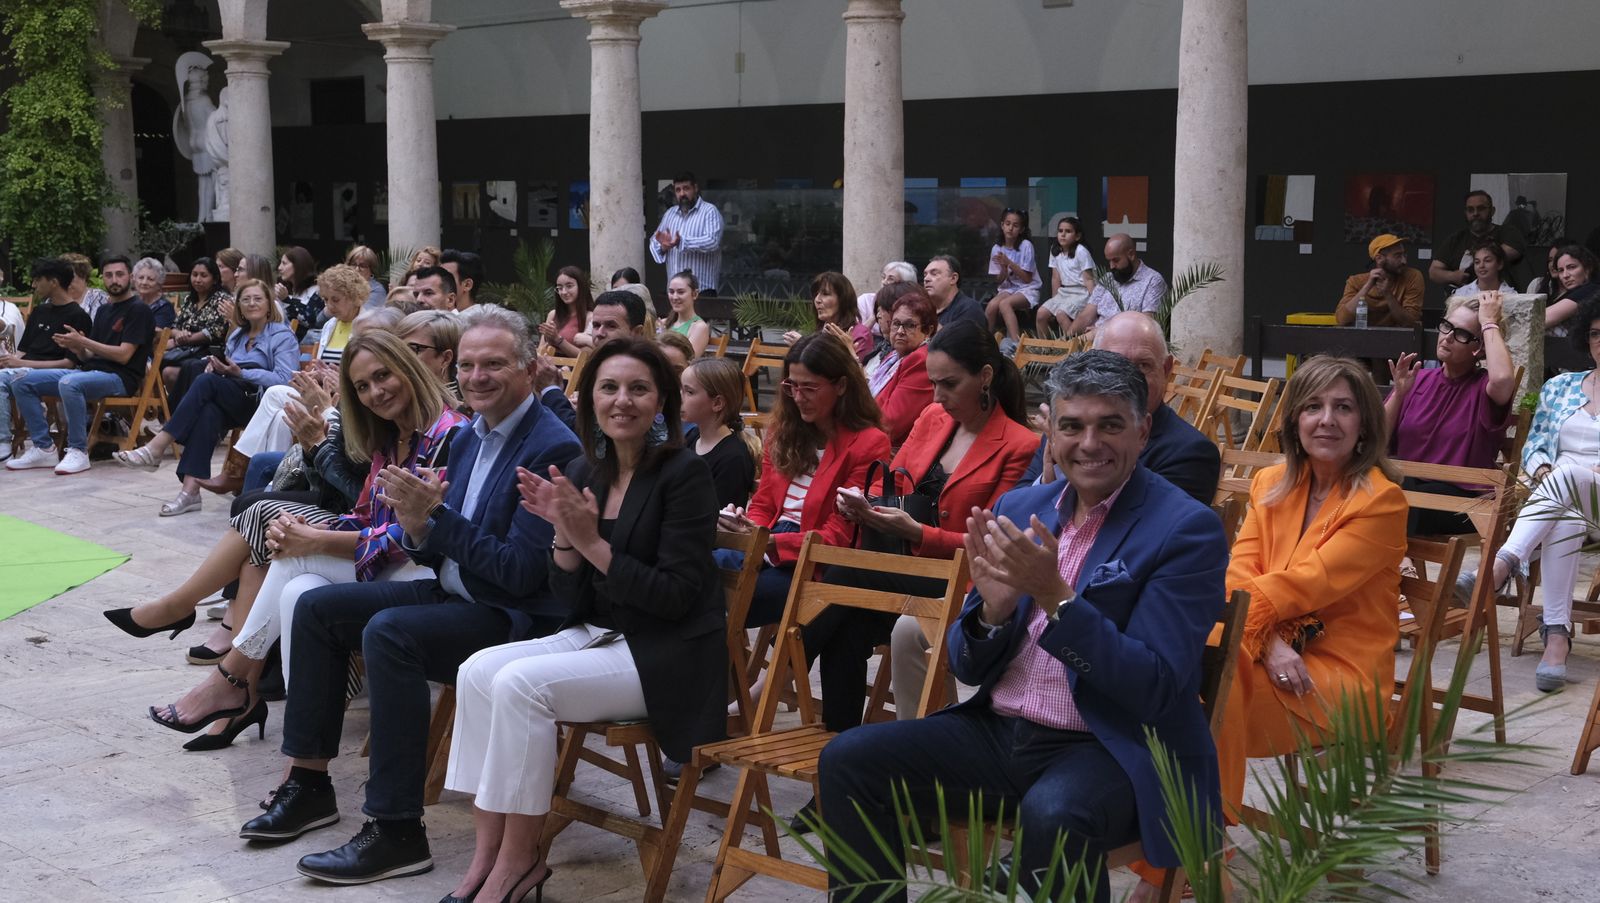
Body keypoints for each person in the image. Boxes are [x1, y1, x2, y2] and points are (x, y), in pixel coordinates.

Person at [819, 350, 1229, 903]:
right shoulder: (1021, 507)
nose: (1089, 443)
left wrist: (1056, 599)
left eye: (1110, 425)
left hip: (1113, 747)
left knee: (1055, 813)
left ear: (1143, 430)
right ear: (1050, 435)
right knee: (849, 760)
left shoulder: (1185, 529)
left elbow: (1153, 686)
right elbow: (966, 664)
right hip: (1002, 732)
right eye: (1072, 426)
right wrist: (992, 614)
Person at [236, 306, 582, 886]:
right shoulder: (471, 437)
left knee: (391, 634)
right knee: (317, 609)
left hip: (514, 616)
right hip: (458, 593)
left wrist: (434, 520)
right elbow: (435, 545)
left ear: (529, 368)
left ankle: (396, 829)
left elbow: (523, 574)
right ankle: (309, 783)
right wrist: (420, 527)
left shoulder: (552, 447)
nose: (476, 377)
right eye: (468, 366)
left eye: (493, 364)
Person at [439, 337, 726, 903]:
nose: (623, 400)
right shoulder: (586, 471)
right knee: (476, 671)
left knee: (520, 686)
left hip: (666, 653)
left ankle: (520, 861)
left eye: (639, 389)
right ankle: (485, 857)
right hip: (599, 634)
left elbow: (673, 598)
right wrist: (564, 538)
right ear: (590, 398)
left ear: (661, 401)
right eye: (609, 387)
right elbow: (570, 595)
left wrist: (591, 540)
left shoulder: (684, 474)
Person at [134, 330, 467, 744]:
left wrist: (316, 539)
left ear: (409, 368)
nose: (375, 392)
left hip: (429, 571)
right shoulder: (389, 435)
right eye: (363, 386)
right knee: (296, 586)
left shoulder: (449, 433)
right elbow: (365, 513)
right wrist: (317, 529)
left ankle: (231, 680)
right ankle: (302, 748)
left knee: (289, 550)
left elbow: (417, 533)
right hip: (388, 560)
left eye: (383, 376)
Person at [1212, 355, 1405, 861]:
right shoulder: (1270, 485)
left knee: (1202, 692)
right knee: (1192, 680)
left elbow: (1305, 584)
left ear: (1364, 424)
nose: (1327, 420)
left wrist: (1248, 632)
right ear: (1295, 419)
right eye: (1314, 406)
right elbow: (1238, 573)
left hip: (1339, 675)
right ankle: (1196, 840)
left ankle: (1196, 844)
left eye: (1344, 407)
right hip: (1272, 656)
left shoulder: (1381, 502)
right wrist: (1270, 643)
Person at [810, 321, 1035, 741]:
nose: (936, 396)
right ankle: (836, 755)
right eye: (933, 383)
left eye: (949, 384)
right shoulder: (933, 417)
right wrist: (864, 505)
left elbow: (991, 542)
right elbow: (890, 482)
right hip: (900, 565)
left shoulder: (1019, 444)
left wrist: (919, 534)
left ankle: (785, 660)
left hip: (958, 578)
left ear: (985, 376)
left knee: (847, 571)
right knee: (847, 625)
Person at [1462, 296, 1600, 692]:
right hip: (1560, 498)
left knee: (1568, 474)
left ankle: (1502, 563)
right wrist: (1543, 471)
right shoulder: (1560, 387)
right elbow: (1536, 444)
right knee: (1566, 519)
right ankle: (1556, 638)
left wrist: (1569, 474)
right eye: (1595, 334)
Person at [714, 331, 889, 627]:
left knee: (722, 598)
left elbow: (839, 535)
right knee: (690, 575)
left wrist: (769, 543)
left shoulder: (868, 443)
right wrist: (747, 527)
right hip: (767, 543)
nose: (798, 397)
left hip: (814, 562)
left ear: (841, 386)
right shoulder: (783, 432)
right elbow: (764, 504)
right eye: (791, 386)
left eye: (809, 388)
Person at [112, 278, 299, 515]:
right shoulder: (237, 336)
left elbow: (285, 378)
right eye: (246, 299)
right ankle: (190, 492)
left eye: (257, 299)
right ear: (239, 307)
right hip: (233, 395)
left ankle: (157, 446)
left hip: (261, 403)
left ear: (269, 304)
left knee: (205, 383)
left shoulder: (281, 335)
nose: (252, 303)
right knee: (209, 411)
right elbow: (227, 366)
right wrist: (214, 365)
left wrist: (241, 372)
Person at [1013, 311, 1220, 504]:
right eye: (1113, 364)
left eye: (1143, 365)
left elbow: (1148, 525)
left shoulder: (1190, 453)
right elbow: (1016, 505)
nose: (1127, 379)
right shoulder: (1067, 427)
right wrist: (1048, 481)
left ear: (1165, 370)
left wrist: (1063, 480)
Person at [210, 265, 367, 495]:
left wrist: (338, 379)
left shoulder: (366, 325)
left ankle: (240, 468)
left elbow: (364, 372)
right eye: (325, 300)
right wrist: (315, 373)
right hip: (321, 394)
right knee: (282, 417)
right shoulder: (330, 325)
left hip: (345, 401)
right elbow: (325, 366)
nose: (329, 306)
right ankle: (273, 486)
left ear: (355, 296)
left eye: (336, 300)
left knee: (275, 394)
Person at [7, 259, 156, 476]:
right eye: (109, 275)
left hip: (120, 378)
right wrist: (77, 348)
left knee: (70, 383)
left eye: (120, 274)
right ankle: (43, 447)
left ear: (130, 277)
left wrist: (84, 341)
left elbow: (124, 356)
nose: (114, 280)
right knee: (21, 380)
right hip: (90, 372)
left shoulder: (138, 310)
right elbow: (90, 356)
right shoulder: (104, 310)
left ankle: (78, 450)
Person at [1386, 292, 1515, 535]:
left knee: (1388, 498)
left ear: (1480, 348)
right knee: (1378, 487)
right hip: (1408, 489)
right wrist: (1399, 394)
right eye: (1447, 326)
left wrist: (1489, 322)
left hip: (1462, 501)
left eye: (1462, 334)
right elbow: (1376, 438)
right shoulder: (1416, 379)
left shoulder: (1484, 388)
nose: (1447, 337)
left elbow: (1503, 379)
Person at [0, 259, 93, 461]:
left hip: (55, 373)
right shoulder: (40, 311)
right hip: (26, 369)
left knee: (13, 379)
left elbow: (69, 364)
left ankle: (8, 444)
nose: (34, 285)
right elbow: (22, 351)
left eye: (37, 280)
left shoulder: (78, 316)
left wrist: (21, 364)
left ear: (53, 282)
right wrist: (9, 361)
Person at [681, 356, 759, 509]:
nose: (679, 397)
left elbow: (721, 515)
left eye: (689, 392)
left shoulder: (732, 458)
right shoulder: (692, 437)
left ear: (717, 403)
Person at [869, 291, 938, 446]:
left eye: (909, 325)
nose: (900, 331)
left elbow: (889, 424)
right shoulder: (894, 356)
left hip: (891, 451)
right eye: (896, 324)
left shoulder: (921, 360)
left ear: (928, 331)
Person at [162, 256, 234, 402]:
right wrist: (179, 334)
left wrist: (181, 340)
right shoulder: (190, 299)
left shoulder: (222, 299)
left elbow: (215, 332)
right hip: (184, 350)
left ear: (214, 279)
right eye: (194, 275)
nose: (198, 279)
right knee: (154, 363)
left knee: (169, 372)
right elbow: (174, 326)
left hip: (208, 352)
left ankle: (176, 409)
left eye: (203, 275)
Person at [1430, 190, 1529, 291]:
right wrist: (1453, 276)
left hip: (1502, 295)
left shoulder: (1508, 233)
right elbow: (1434, 271)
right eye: (1470, 210)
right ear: (1465, 213)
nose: (1475, 213)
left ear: (1492, 211)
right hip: (1462, 296)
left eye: (1481, 208)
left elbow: (1507, 252)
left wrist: (1471, 266)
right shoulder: (1456, 239)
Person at [649, 171, 723, 293]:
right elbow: (654, 241)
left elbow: (712, 241)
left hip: (701, 290)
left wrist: (681, 242)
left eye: (686, 188)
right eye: (678, 190)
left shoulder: (709, 211)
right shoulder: (670, 214)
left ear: (695, 188)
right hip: (675, 292)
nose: (682, 194)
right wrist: (663, 247)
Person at [1075, 234, 1168, 331]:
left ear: (1131, 254)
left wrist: (1101, 331)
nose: (1111, 266)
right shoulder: (1107, 279)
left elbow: (1146, 325)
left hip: (1125, 339)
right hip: (1094, 336)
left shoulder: (1153, 281)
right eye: (1109, 261)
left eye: (1116, 260)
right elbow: (1085, 316)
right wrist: (1067, 337)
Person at [984, 207, 1043, 356]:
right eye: (1008, 224)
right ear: (1002, 225)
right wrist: (1004, 268)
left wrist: (1009, 262)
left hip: (1028, 288)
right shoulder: (997, 248)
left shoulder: (1026, 246)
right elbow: (999, 280)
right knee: (991, 306)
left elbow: (1027, 278)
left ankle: (1016, 345)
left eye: (1015, 225)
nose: (1010, 228)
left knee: (1005, 304)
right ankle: (986, 343)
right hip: (1008, 288)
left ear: (1021, 229)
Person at [1335, 233, 1425, 328]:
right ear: (1379, 258)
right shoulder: (1355, 281)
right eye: (1398, 256)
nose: (1404, 261)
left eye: (1404, 255)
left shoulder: (1412, 277)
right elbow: (1342, 320)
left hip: (1398, 336)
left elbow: (1411, 323)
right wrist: (1367, 286)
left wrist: (1388, 294)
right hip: (1362, 336)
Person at [1036, 216, 1097, 337]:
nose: (1063, 235)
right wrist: (1054, 301)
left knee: (1061, 314)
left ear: (1077, 236)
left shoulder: (1081, 251)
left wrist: (1095, 302)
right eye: (1060, 231)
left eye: (1068, 231)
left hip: (1081, 292)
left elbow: (1089, 279)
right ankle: (1044, 346)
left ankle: (1073, 345)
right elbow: (1055, 278)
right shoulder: (1055, 250)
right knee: (1041, 314)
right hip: (1064, 292)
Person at [784, 271, 859, 348]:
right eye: (816, 294)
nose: (817, 300)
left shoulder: (859, 334)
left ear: (843, 299)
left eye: (825, 294)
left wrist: (803, 345)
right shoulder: (817, 334)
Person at [1539, 244, 1600, 337]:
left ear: (1588, 268)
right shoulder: (1574, 292)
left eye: (1571, 267)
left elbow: (1540, 319)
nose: (1565, 275)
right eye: (1560, 270)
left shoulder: (1592, 289)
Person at [922, 254, 986, 334]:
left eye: (934, 274)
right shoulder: (924, 309)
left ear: (953, 278)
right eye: (925, 275)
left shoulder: (970, 309)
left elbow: (959, 341)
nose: (926, 279)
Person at [538, 265, 591, 356]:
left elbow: (585, 357)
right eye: (559, 288)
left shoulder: (590, 317)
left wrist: (558, 339)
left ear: (581, 286)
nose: (564, 292)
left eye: (569, 286)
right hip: (550, 362)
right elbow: (541, 349)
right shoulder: (553, 314)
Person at [660, 269, 710, 356]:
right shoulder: (663, 323)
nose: (675, 297)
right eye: (671, 292)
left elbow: (689, 359)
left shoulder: (699, 327)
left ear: (695, 294)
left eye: (681, 292)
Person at [855, 261, 917, 328]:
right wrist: (874, 316)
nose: (884, 282)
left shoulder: (912, 306)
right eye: (883, 277)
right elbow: (855, 333)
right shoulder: (865, 300)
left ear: (904, 284)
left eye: (891, 279)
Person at [1450, 239, 1515, 299]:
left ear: (1500, 264)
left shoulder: (1512, 297)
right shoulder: (1460, 294)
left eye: (1487, 260)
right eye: (1477, 262)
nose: (1481, 266)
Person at [277, 247, 320, 333]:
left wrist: (286, 300)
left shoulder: (316, 291)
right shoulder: (285, 289)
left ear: (298, 265)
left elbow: (309, 322)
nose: (279, 268)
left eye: (284, 263)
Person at [61, 252, 109, 321]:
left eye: (70, 277)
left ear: (83, 276)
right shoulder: (53, 299)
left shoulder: (99, 298)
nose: (66, 281)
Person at [132, 256, 176, 328]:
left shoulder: (164, 307)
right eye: (141, 278)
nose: (144, 282)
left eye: (150, 279)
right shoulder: (131, 301)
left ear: (159, 283)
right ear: (134, 280)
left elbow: (153, 332)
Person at [345, 245, 387, 310]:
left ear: (372, 270)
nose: (357, 269)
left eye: (362, 266)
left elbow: (364, 313)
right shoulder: (343, 285)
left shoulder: (377, 290)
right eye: (353, 264)